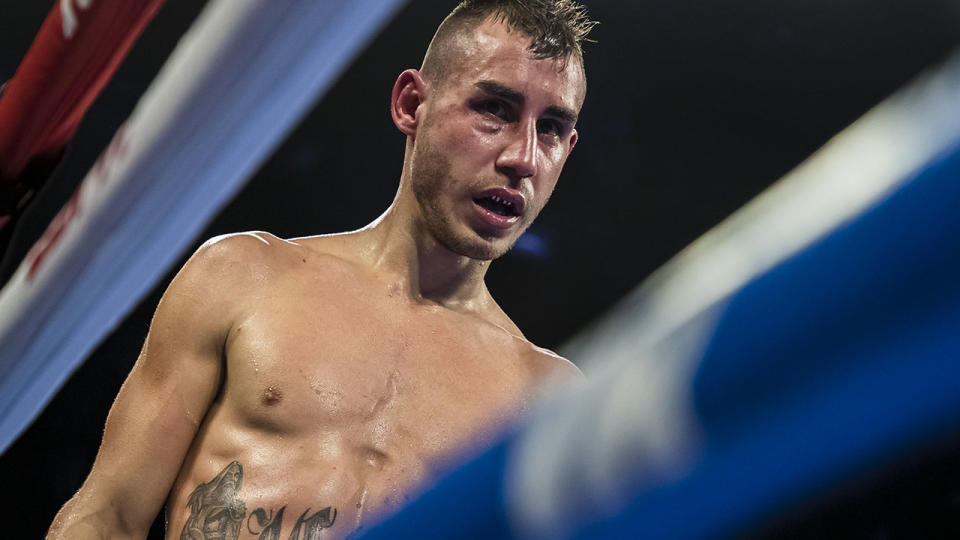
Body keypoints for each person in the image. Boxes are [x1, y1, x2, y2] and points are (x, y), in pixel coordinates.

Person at [47, 0, 596, 537]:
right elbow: (108, 513)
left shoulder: (546, 397)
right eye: (495, 109)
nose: (523, 157)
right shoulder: (245, 276)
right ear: (411, 104)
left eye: (550, 128)